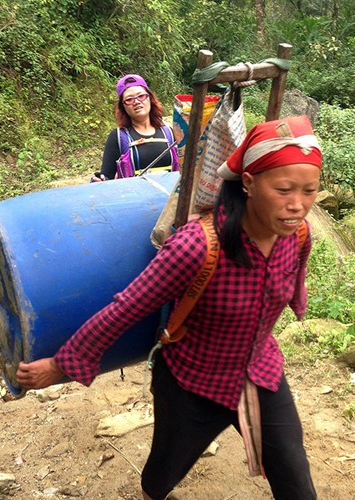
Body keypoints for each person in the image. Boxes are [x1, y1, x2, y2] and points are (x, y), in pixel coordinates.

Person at [17, 115, 323, 500]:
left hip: (259, 374)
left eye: (309, 191)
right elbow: (126, 308)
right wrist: (61, 364)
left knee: (297, 482)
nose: (298, 205)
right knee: (161, 478)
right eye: (283, 189)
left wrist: (297, 301)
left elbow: (295, 276)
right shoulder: (198, 246)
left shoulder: (298, 235)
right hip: (191, 384)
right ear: (248, 182)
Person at [93, 74, 179, 181]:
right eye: (129, 99)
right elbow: (106, 178)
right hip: (134, 197)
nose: (137, 102)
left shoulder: (169, 133)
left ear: (150, 98)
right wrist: (99, 180)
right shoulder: (118, 137)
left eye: (141, 96)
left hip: (169, 196)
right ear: (123, 106)